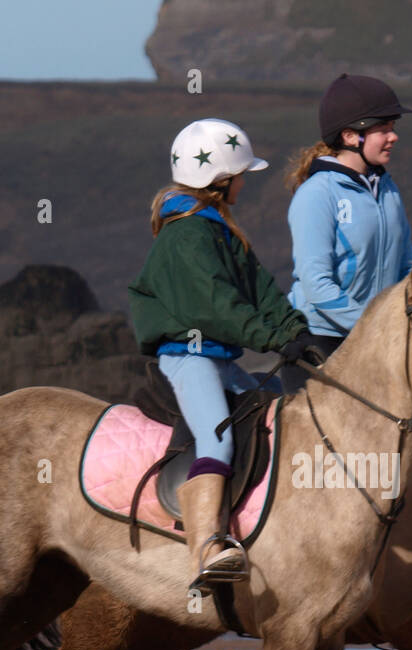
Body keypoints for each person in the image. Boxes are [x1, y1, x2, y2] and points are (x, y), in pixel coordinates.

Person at [127, 118, 313, 593]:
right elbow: (217, 306)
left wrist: (296, 331)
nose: (245, 182)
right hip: (188, 358)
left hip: (222, 357)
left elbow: (261, 291)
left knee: (275, 416)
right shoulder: (188, 235)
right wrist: (272, 341)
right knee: (218, 441)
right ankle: (206, 547)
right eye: (241, 174)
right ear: (221, 179)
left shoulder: (222, 231)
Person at [283, 74, 412, 391]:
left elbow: (408, 265)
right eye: (383, 129)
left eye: (393, 127)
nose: (393, 137)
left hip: (375, 339)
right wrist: (373, 325)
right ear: (349, 136)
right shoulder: (316, 194)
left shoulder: (388, 189)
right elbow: (316, 283)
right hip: (321, 342)